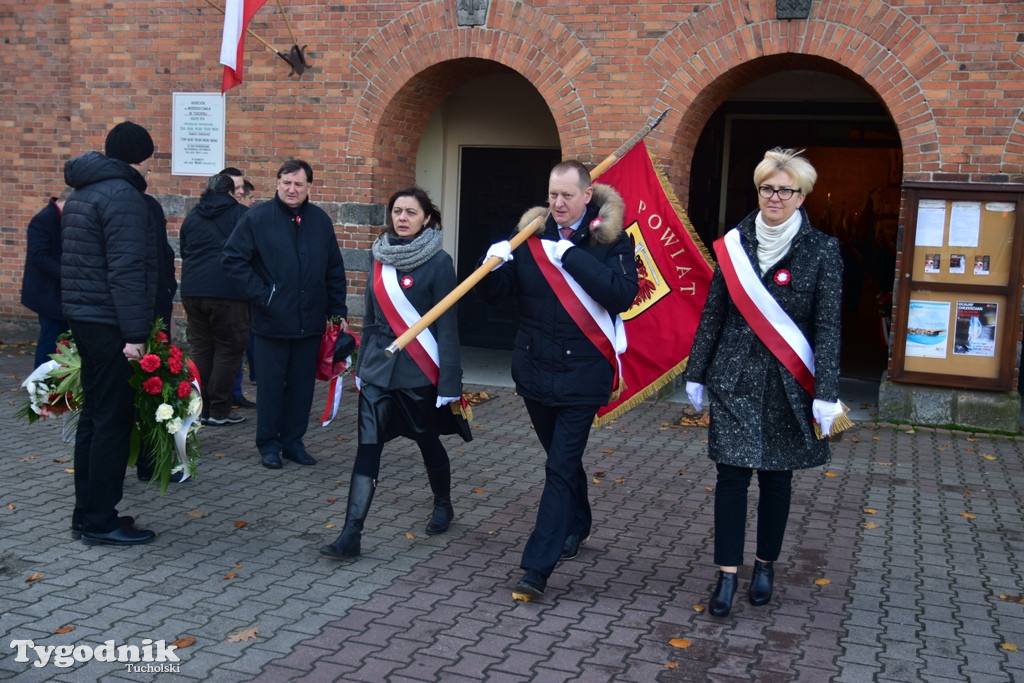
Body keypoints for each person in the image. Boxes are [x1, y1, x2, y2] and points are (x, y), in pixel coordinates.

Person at [682, 148, 844, 617]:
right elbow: (714, 311)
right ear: (758, 191)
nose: (775, 197)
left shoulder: (822, 250)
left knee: (776, 479)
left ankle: (765, 564)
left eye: (785, 190)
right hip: (733, 378)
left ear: (801, 196)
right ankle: (727, 574)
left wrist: (827, 391)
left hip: (789, 384)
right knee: (731, 477)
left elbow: (829, 326)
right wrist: (697, 371)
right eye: (767, 188)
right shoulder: (734, 243)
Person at [479, 160, 638, 601]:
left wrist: (571, 256)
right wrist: (492, 265)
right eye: (552, 194)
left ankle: (536, 568)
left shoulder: (611, 240)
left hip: (583, 375)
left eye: (568, 195)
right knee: (560, 459)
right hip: (534, 370)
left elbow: (623, 295)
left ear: (588, 196)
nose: (558, 203)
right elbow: (497, 297)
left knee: (559, 467)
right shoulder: (531, 235)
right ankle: (579, 521)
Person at [320, 187, 470, 561]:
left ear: (427, 218)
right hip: (378, 373)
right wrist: (361, 364)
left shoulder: (439, 262)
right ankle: (351, 533)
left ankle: (443, 503)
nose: (402, 218)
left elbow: (448, 327)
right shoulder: (379, 256)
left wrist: (450, 381)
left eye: (411, 212)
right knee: (367, 449)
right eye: (397, 211)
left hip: (419, 372)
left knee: (427, 441)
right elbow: (371, 319)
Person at [61, 120, 159, 545]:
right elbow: (126, 270)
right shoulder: (124, 197)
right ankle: (101, 519)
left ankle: (87, 513)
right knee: (112, 422)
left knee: (95, 419)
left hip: (86, 317)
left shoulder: (83, 190)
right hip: (110, 323)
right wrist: (136, 335)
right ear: (140, 157)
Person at [223, 159, 349, 469]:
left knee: (301, 387)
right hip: (271, 322)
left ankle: (293, 442)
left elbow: (334, 268)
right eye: (286, 182)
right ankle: (268, 443)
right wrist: (263, 295)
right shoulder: (257, 218)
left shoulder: (320, 221)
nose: (292, 189)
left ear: (309, 187)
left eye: (298, 184)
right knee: (270, 386)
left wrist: (337, 310)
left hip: (310, 321)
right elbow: (232, 261)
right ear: (277, 183)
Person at [179, 173, 250, 426]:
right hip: (228, 291)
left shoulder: (193, 215)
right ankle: (219, 410)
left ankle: (199, 407)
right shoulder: (241, 215)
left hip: (192, 290)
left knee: (201, 349)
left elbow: (184, 249)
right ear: (231, 193)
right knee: (228, 350)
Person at [22, 188, 73, 368]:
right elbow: (39, 257)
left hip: (60, 292)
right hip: (47, 292)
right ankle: (40, 383)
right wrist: (69, 273)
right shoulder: (44, 220)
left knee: (62, 339)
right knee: (50, 339)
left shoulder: (61, 219)